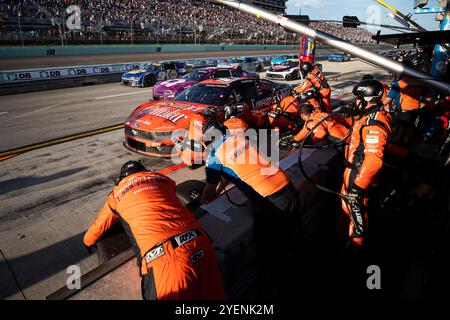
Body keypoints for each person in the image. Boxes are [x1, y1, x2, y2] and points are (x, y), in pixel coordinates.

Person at [83, 161, 226, 300]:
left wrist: (87, 242)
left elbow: (99, 227)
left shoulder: (115, 196)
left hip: (164, 261)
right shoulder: (163, 179)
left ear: (121, 179)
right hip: (201, 243)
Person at [201, 118, 302, 299]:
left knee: (271, 252)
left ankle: (281, 291)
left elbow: (208, 193)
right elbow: (233, 170)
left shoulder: (214, 155)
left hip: (270, 202)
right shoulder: (241, 140)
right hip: (288, 188)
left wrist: (206, 199)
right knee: (295, 239)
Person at [341, 79, 392, 250]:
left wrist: (358, 187)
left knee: (356, 212)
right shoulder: (370, 116)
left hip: (358, 175)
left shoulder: (373, 125)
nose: (355, 101)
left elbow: (374, 161)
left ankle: (357, 247)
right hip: (354, 170)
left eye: (358, 98)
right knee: (351, 208)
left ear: (366, 98)